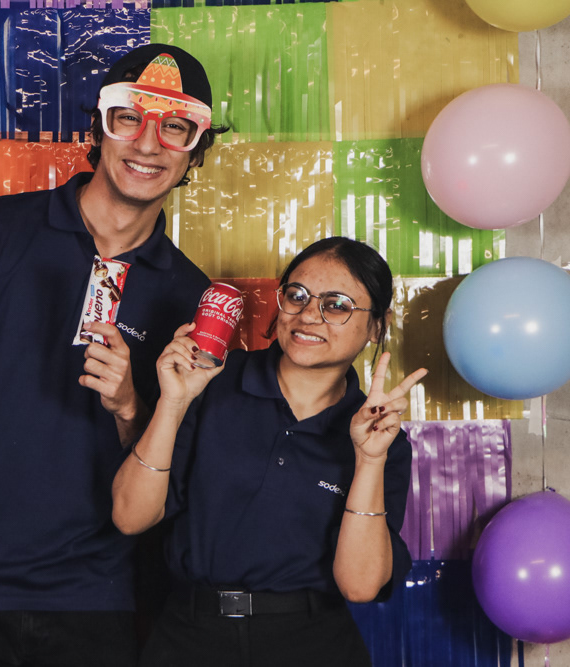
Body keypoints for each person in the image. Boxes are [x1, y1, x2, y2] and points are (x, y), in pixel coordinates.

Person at [0, 43, 225, 667]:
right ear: (99, 126)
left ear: (195, 152)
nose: (148, 144)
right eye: (130, 118)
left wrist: (129, 405)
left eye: (175, 128)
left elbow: (163, 470)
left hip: (96, 596)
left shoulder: (190, 297)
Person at [111, 237, 428, 667]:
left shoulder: (380, 438)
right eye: (297, 296)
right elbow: (130, 517)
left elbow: (360, 586)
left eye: (336, 305)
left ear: (376, 325)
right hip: (189, 637)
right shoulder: (212, 383)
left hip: (313, 644)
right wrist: (173, 402)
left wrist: (369, 460)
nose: (309, 315)